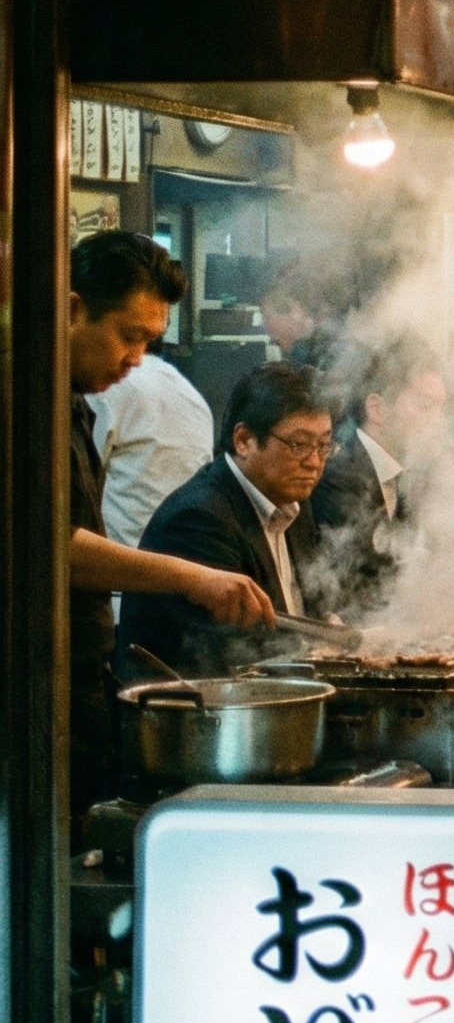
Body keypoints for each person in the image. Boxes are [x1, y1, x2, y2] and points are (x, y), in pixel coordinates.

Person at [66, 233, 273, 808]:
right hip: (36, 689)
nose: (136, 360)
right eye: (129, 336)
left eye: (149, 342)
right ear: (73, 308)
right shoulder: (24, 400)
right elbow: (51, 547)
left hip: (81, 676)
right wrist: (194, 577)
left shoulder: (75, 401)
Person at [121, 362, 339, 675]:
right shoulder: (199, 519)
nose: (314, 462)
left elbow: (309, 615)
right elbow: (234, 657)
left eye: (323, 445)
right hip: (200, 709)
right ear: (244, 440)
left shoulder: (291, 501)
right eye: (299, 445)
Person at [310, 347, 447, 611]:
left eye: (442, 410)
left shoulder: (406, 471)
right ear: (377, 409)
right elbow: (370, 576)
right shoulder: (339, 476)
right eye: (426, 406)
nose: (439, 423)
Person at [89, 341, 215, 549]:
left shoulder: (109, 384)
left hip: (125, 561)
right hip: (187, 555)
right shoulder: (189, 391)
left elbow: (79, 483)